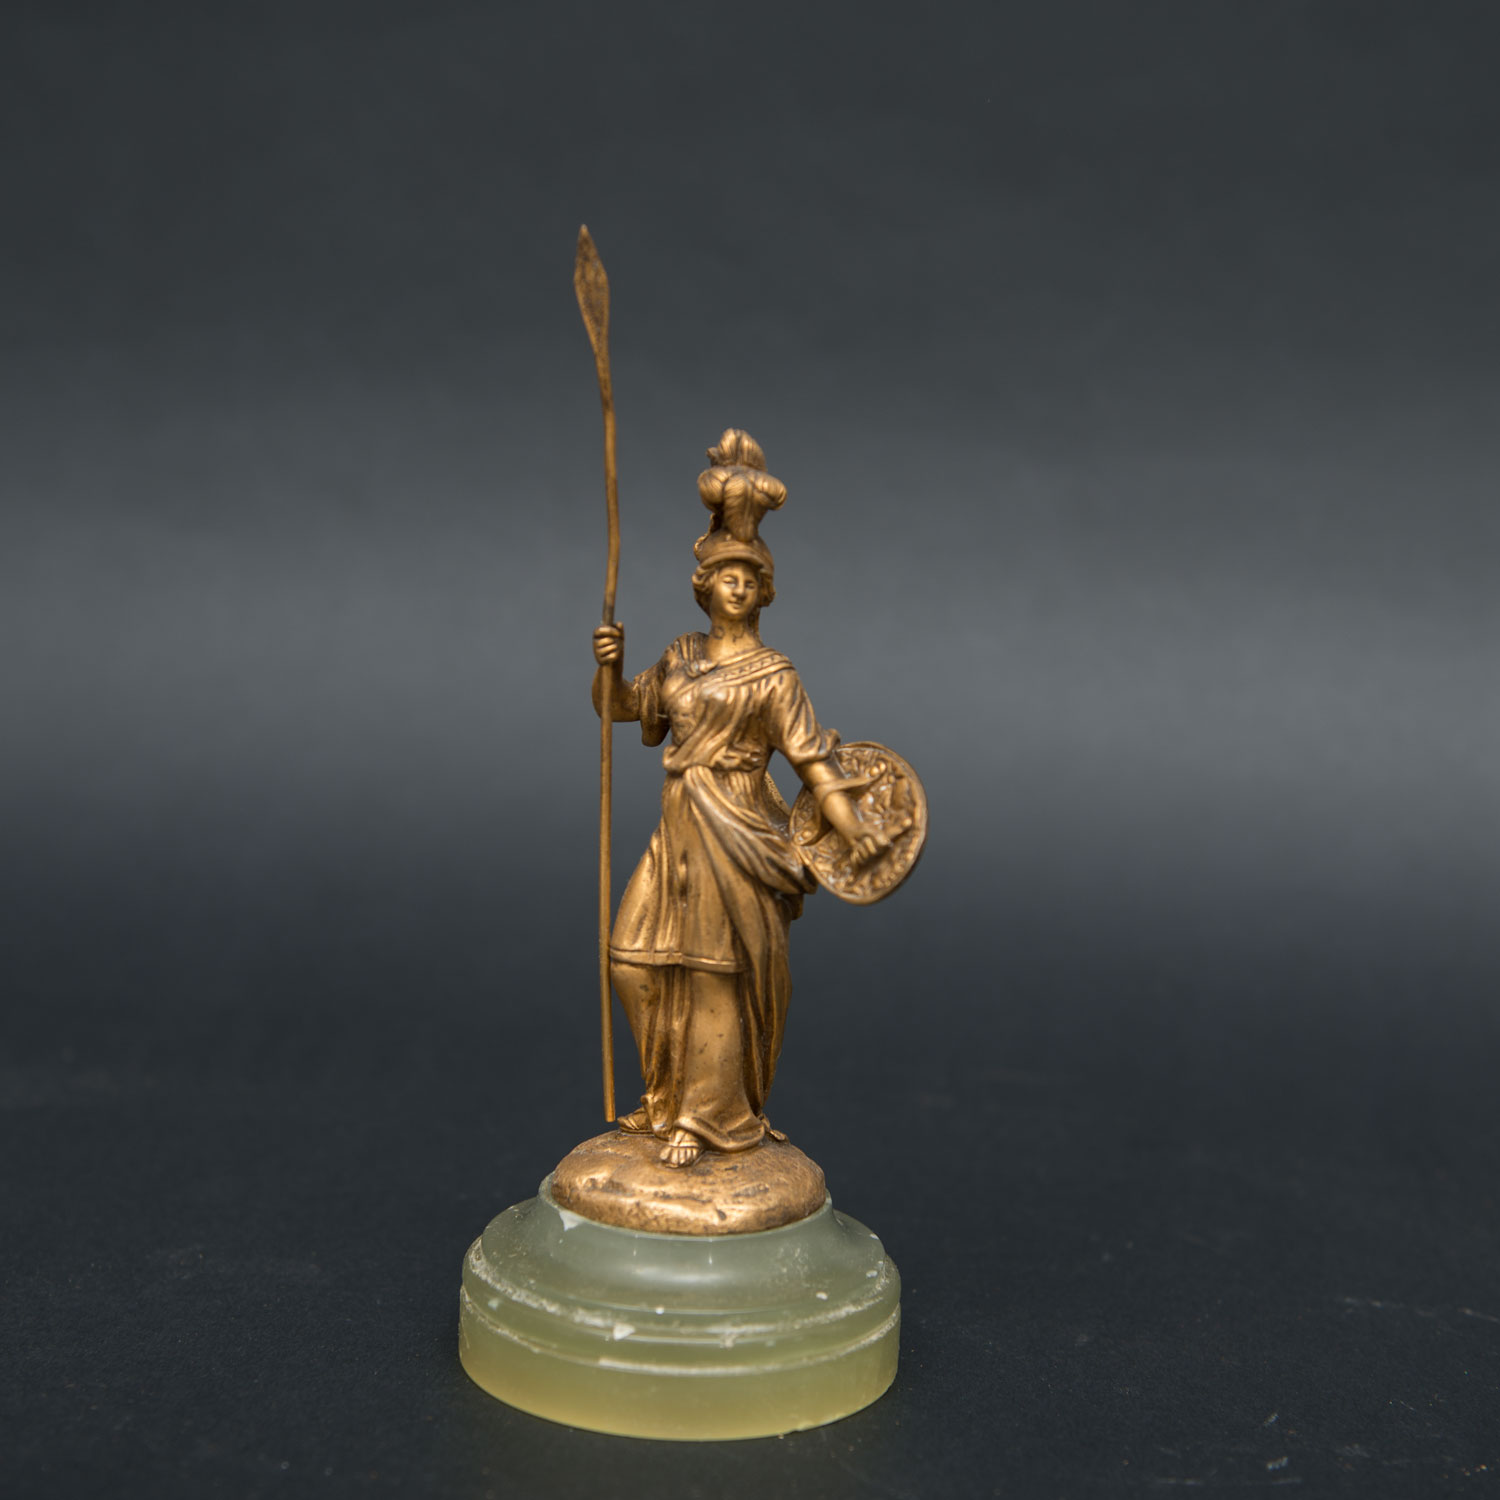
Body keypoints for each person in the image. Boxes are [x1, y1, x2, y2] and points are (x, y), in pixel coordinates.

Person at [591, 430, 889, 1168]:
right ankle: (665, 1096)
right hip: (679, 827)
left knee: (714, 974)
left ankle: (706, 1119)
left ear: (764, 592)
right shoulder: (681, 656)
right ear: (704, 585)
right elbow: (619, 709)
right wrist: (611, 666)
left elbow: (814, 762)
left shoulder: (774, 676)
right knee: (633, 960)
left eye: (750, 578)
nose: (737, 586)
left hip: (738, 830)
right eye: (726, 575)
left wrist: (854, 830)